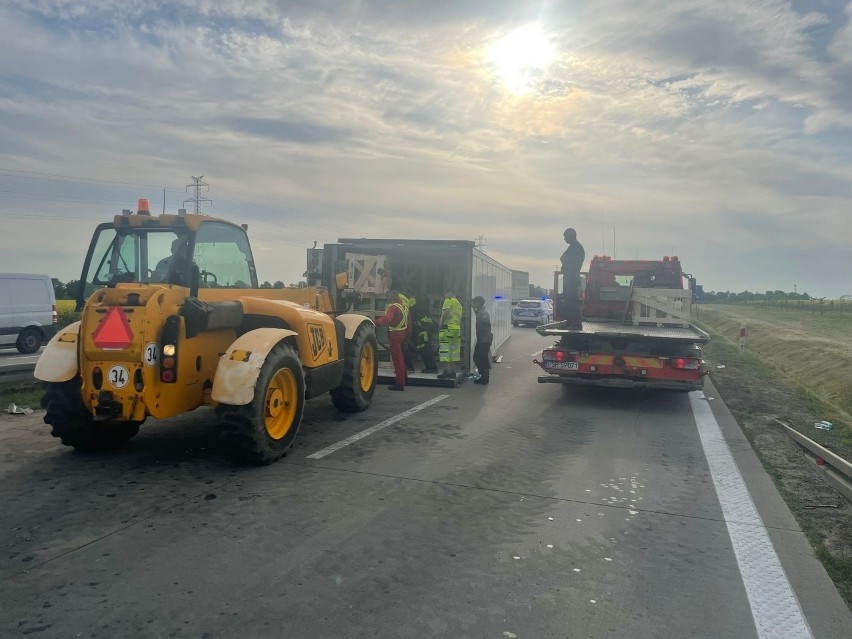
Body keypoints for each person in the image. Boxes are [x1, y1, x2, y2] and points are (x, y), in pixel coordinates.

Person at [373, 290, 410, 391]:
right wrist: (407, 337)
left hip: (395, 335)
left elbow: (386, 319)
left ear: (391, 297)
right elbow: (409, 323)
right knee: (401, 357)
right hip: (403, 333)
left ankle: (400, 383)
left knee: (397, 360)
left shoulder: (393, 308)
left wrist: (373, 322)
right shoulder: (405, 306)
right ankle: (404, 377)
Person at [560, 228, 585, 329]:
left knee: (572, 300)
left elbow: (566, 259)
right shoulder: (573, 247)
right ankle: (570, 321)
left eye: (565, 236)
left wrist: (564, 260)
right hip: (570, 277)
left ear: (571, 236)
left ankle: (576, 322)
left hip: (572, 277)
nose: (564, 239)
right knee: (568, 300)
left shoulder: (576, 247)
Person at [437, 288, 463, 380]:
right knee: (454, 351)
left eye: (445, 294)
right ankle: (452, 372)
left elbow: (446, 311)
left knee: (445, 351)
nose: (444, 296)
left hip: (447, 328)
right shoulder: (459, 304)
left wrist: (441, 322)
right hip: (456, 329)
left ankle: (447, 372)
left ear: (448, 293)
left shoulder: (448, 300)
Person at [471, 296, 493, 385]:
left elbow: (484, 325)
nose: (474, 304)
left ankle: (484, 378)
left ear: (479, 304)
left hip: (484, 339)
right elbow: (478, 314)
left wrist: (482, 334)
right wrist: (473, 308)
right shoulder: (482, 312)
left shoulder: (483, 313)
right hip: (483, 339)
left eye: (475, 303)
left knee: (479, 358)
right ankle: (484, 377)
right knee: (479, 358)